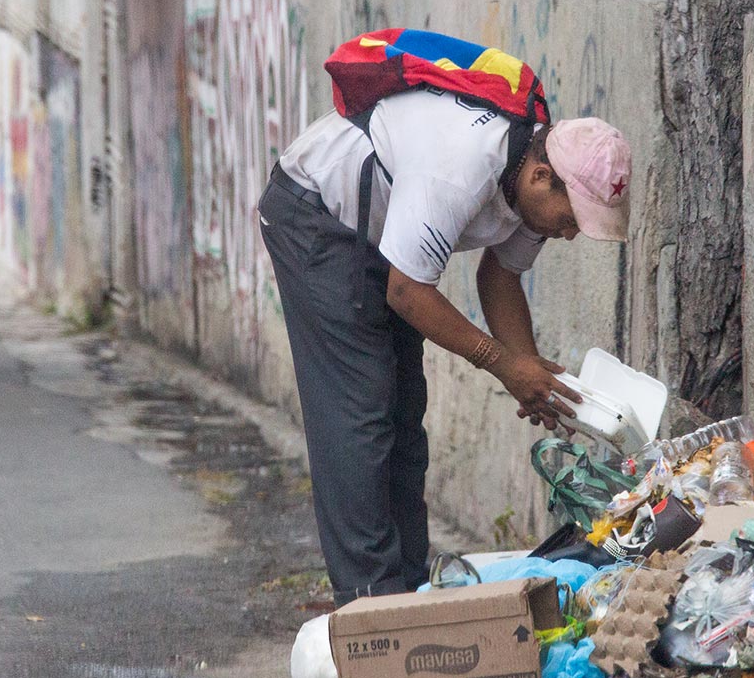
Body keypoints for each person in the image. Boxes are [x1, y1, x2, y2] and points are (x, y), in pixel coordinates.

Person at [257, 75, 632, 606]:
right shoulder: (458, 171)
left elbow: (499, 278)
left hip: (384, 236)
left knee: (404, 412)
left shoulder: (532, 178)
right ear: (541, 177)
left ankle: (410, 589)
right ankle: (370, 603)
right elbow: (409, 292)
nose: (570, 234)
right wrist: (503, 364)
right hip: (317, 215)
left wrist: (529, 372)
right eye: (571, 220)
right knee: (359, 415)